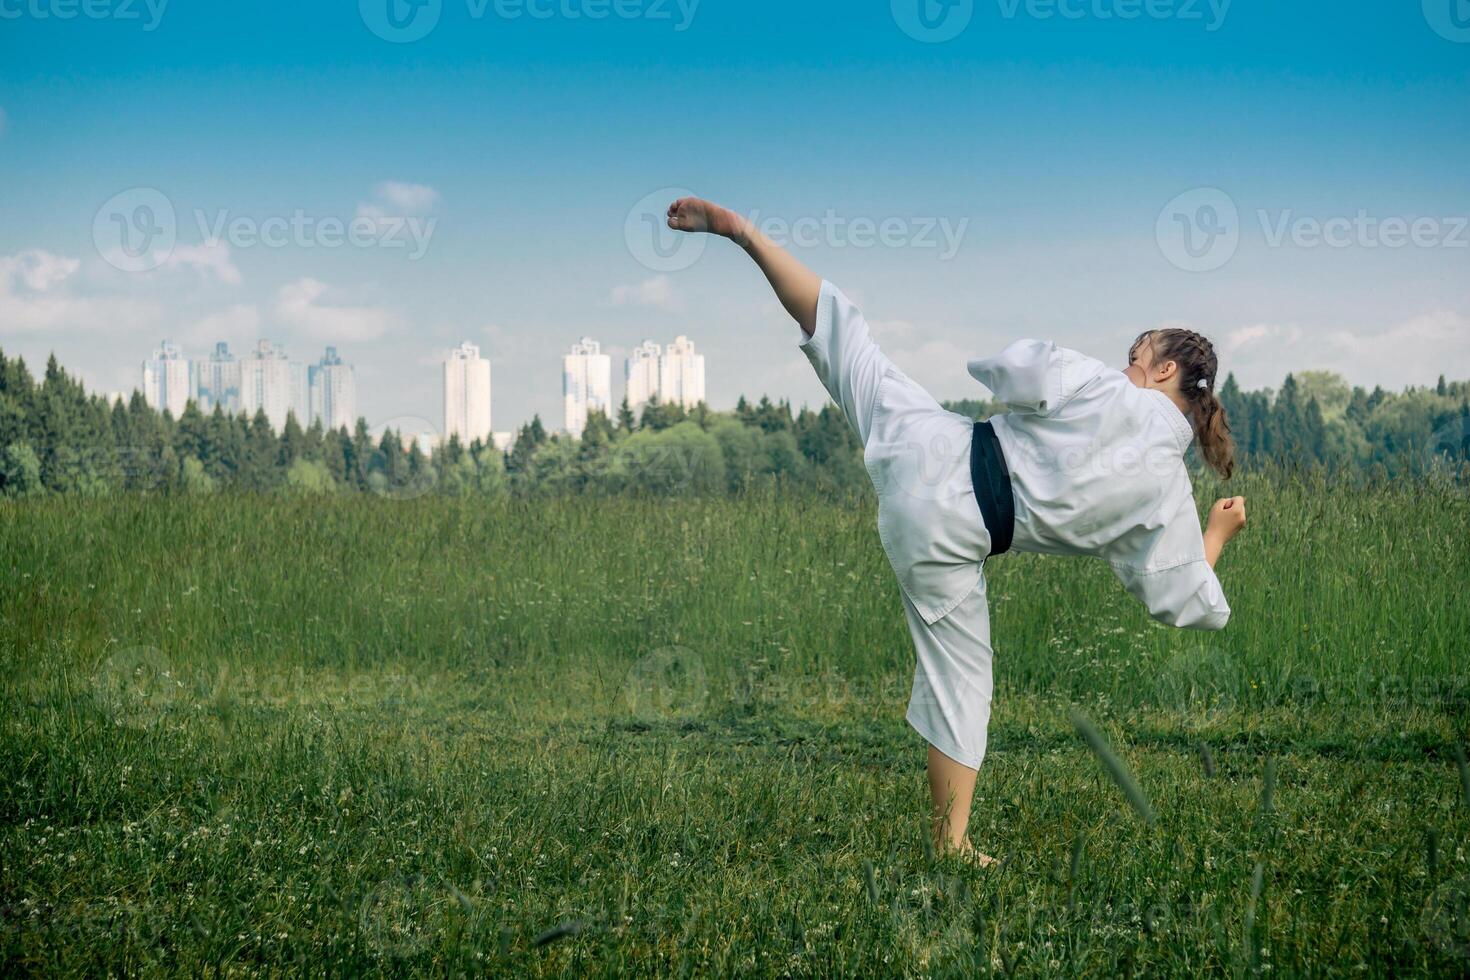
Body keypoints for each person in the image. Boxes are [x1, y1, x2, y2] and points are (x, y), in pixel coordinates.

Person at [665, 197, 1249, 866]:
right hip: (949, 540)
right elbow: (1179, 597)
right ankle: (950, 843)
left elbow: (1016, 370)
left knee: (851, 347)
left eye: (1135, 356)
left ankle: (744, 234)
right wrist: (1216, 533)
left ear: (1165, 370)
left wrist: (1011, 379)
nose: (1125, 366)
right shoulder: (1168, 493)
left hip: (933, 450)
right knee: (962, 682)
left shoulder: (1108, 392)